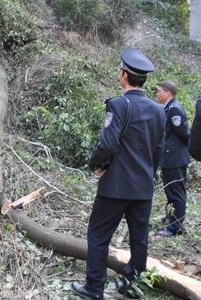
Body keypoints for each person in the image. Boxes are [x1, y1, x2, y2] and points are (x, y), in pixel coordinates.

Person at [72, 48, 165, 300]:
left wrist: (96, 164)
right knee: (139, 238)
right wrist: (148, 175)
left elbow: (108, 144)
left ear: (124, 75)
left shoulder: (119, 104)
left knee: (98, 234)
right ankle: (132, 283)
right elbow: (158, 151)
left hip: (115, 185)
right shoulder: (159, 110)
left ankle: (94, 288)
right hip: (143, 187)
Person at [155, 81, 190, 237]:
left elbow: (184, 133)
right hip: (170, 156)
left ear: (168, 93)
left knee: (176, 191)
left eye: (159, 91)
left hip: (175, 157)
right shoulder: (169, 107)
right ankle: (171, 216)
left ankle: (175, 227)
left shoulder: (174, 108)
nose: (157, 94)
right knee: (170, 189)